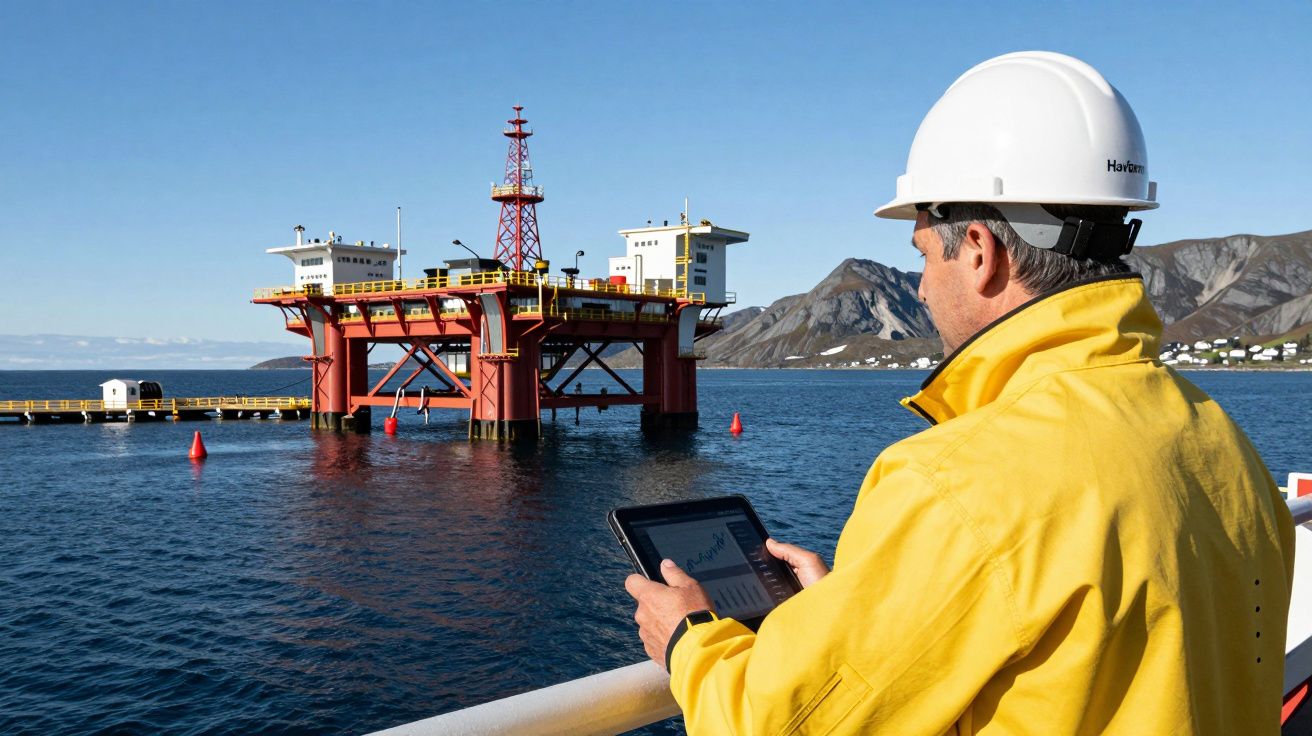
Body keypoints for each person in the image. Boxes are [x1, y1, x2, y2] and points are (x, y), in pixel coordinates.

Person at [625, 51, 1295, 735]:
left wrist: (691, 640)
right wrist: (851, 614)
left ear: (978, 250)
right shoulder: (1218, 439)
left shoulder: (961, 483)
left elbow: (781, 724)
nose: (917, 287)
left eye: (922, 253)